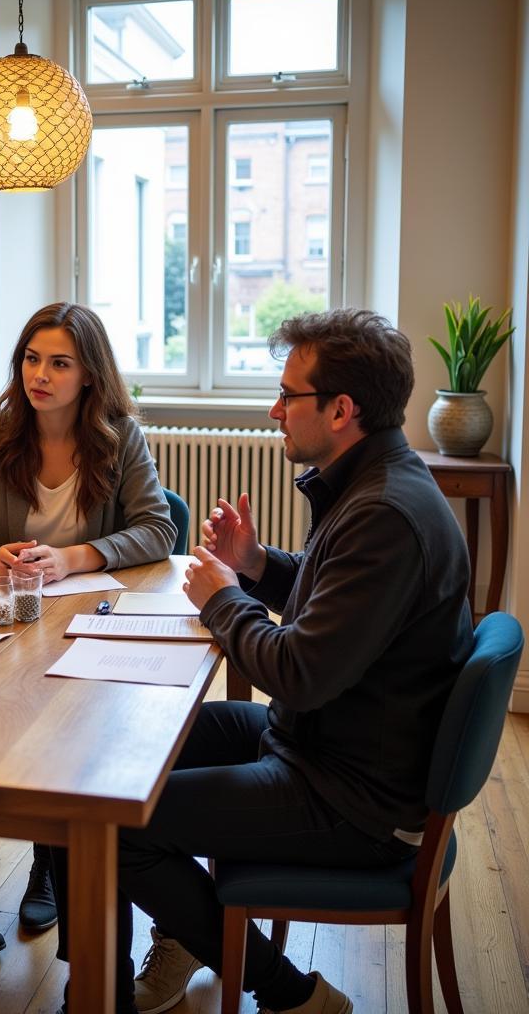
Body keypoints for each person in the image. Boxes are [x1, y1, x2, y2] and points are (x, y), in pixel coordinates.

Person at [67, 308, 473, 1014]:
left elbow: (297, 671)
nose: (275, 409)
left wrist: (224, 599)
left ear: (342, 410)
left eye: (290, 396)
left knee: (114, 825)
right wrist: (254, 564)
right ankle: (177, 935)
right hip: (330, 744)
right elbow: (334, 605)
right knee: (111, 758)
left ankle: (293, 994)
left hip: (352, 797)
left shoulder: (384, 514)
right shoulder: (373, 484)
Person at [0, 301, 177, 961]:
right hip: (7, 620)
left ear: (90, 374)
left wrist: (72, 557)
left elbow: (159, 528)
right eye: (32, 359)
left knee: (72, 745)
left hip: (87, 625)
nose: (40, 375)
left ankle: (51, 865)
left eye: (59, 363)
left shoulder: (120, 436)